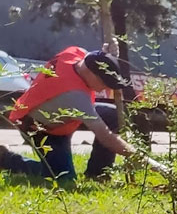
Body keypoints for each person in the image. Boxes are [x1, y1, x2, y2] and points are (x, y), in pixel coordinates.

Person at [0, 46, 165, 182]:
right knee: (64, 179)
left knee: (112, 115)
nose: (106, 89)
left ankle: (97, 175)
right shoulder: (74, 95)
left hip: (65, 118)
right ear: (91, 74)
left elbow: (93, 57)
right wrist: (150, 163)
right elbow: (106, 137)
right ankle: (7, 159)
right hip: (39, 128)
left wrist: (106, 51)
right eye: (104, 83)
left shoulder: (76, 54)